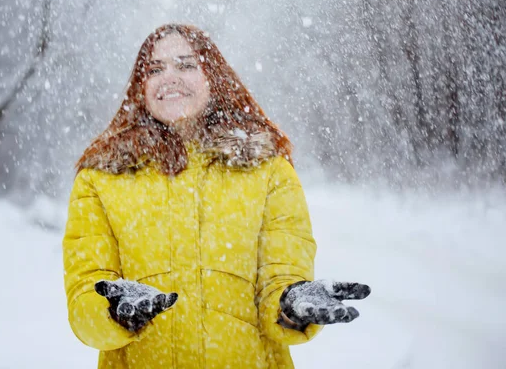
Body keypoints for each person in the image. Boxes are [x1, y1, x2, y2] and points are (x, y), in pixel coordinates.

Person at [62, 23, 371, 369]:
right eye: (155, 69)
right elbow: (84, 299)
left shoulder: (268, 171)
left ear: (214, 77)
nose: (170, 77)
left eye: (186, 64)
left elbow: (279, 277)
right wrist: (114, 312)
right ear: (140, 87)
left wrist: (291, 303)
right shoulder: (101, 179)